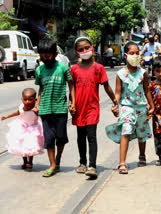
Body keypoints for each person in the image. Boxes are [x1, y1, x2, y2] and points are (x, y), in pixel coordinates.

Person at [71, 37, 118, 178]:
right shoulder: (74, 69)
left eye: (87, 48)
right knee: (80, 137)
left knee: (91, 137)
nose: (84, 51)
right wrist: (71, 104)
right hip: (78, 109)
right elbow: (71, 87)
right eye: (81, 49)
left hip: (92, 109)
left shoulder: (99, 68)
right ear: (76, 52)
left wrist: (114, 100)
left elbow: (106, 86)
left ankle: (92, 165)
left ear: (92, 47)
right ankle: (82, 162)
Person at [105, 41, 154, 174]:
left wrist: (151, 105)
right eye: (132, 53)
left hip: (141, 107)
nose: (135, 55)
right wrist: (115, 105)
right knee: (125, 131)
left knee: (141, 132)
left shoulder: (143, 73)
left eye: (137, 53)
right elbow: (118, 92)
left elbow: (146, 89)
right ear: (125, 55)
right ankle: (122, 162)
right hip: (127, 107)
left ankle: (142, 155)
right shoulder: (120, 74)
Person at [35, 38, 75, 177]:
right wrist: (37, 105)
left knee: (61, 137)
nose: (46, 59)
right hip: (45, 109)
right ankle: (52, 164)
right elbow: (40, 88)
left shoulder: (63, 68)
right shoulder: (39, 70)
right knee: (49, 138)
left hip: (60, 109)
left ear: (55, 53)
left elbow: (71, 85)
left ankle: (58, 159)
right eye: (43, 57)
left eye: (48, 56)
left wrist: (73, 102)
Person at [1, 88, 44, 170]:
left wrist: (38, 113)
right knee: (22, 145)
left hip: (33, 128)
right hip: (21, 128)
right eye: (25, 99)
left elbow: (42, 116)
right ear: (22, 100)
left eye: (30, 100)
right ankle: (24, 162)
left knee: (31, 145)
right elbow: (17, 112)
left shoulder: (36, 108)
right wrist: (7, 116)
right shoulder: (22, 107)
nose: (27, 102)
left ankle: (30, 162)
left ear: (35, 100)